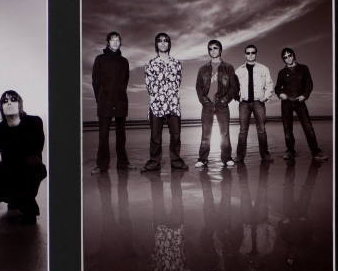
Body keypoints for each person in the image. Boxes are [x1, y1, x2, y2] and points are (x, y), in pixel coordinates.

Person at [0, 90, 47, 225]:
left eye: (13, 100)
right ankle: (19, 198)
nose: (9, 103)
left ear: (20, 104)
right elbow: (0, 165)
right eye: (5, 101)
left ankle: (26, 205)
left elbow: (34, 150)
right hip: (10, 171)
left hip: (32, 169)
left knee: (32, 161)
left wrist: (3, 155)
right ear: (1, 108)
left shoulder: (34, 122)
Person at [140, 33, 188, 172]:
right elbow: (149, 85)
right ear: (156, 44)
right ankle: (154, 162)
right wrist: (159, 97)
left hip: (173, 103)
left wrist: (170, 96)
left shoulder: (177, 63)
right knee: (155, 136)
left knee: (176, 135)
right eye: (160, 41)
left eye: (165, 40)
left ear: (169, 44)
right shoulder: (150, 64)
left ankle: (176, 161)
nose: (162, 43)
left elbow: (178, 83)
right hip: (156, 104)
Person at [91, 31, 135, 174]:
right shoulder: (100, 59)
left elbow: (125, 81)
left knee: (121, 135)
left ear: (120, 42)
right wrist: (100, 99)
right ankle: (102, 165)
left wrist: (120, 95)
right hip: (105, 102)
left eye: (117, 40)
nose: (115, 42)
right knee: (103, 135)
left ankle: (123, 163)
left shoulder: (124, 61)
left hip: (121, 101)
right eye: (112, 40)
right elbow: (95, 81)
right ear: (108, 42)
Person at [274, 48, 328, 161]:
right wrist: (280, 94)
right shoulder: (281, 72)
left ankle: (316, 152)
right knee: (287, 129)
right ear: (283, 59)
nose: (288, 58)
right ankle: (290, 151)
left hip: (300, 101)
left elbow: (309, 84)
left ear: (294, 55)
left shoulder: (303, 68)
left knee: (309, 128)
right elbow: (277, 87)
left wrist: (304, 95)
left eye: (289, 55)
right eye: (285, 57)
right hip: (286, 103)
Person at [195, 40, 238, 168]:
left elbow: (233, 87)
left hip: (221, 104)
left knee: (224, 133)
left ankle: (227, 158)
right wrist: (203, 100)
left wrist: (225, 100)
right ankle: (202, 159)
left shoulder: (228, 68)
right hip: (207, 104)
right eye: (210, 48)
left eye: (215, 48)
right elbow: (198, 87)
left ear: (220, 50)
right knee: (205, 133)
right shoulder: (203, 69)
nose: (213, 50)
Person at [234, 44, 274, 163]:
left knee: (261, 130)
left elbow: (270, 84)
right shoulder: (239, 70)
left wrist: (265, 97)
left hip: (258, 103)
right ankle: (240, 156)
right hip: (244, 104)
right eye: (248, 53)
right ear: (245, 55)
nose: (250, 55)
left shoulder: (264, 69)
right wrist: (238, 98)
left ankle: (265, 154)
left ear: (256, 54)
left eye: (253, 52)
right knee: (243, 130)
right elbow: (234, 87)